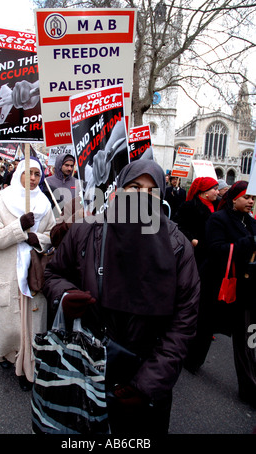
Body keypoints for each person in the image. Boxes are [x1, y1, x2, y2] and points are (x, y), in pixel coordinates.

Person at [43, 159, 200, 435]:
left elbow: (184, 322)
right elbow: (53, 275)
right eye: (134, 186)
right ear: (119, 190)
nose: (141, 196)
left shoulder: (178, 246)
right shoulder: (86, 231)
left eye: (151, 191)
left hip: (145, 380)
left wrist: (147, 384)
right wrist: (65, 296)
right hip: (87, 370)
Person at [0, 158, 56, 391]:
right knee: (10, 324)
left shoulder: (45, 203)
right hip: (9, 271)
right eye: (30, 173)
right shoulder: (2, 201)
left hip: (34, 274)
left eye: (38, 174)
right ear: (20, 174)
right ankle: (7, 353)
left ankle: (27, 365)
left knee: (33, 322)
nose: (34, 178)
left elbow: (51, 237)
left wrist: (38, 239)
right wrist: (19, 227)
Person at [204, 181, 256, 407]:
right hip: (221, 286)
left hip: (248, 290)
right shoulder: (218, 219)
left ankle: (249, 388)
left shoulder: (253, 222)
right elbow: (215, 249)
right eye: (247, 197)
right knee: (203, 328)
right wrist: (248, 243)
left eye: (253, 198)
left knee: (249, 340)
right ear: (234, 198)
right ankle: (188, 359)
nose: (251, 201)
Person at [175, 176, 219, 372]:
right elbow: (179, 226)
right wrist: (191, 239)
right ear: (204, 192)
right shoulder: (189, 207)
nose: (217, 192)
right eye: (214, 189)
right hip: (193, 254)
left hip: (208, 258)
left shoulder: (217, 209)